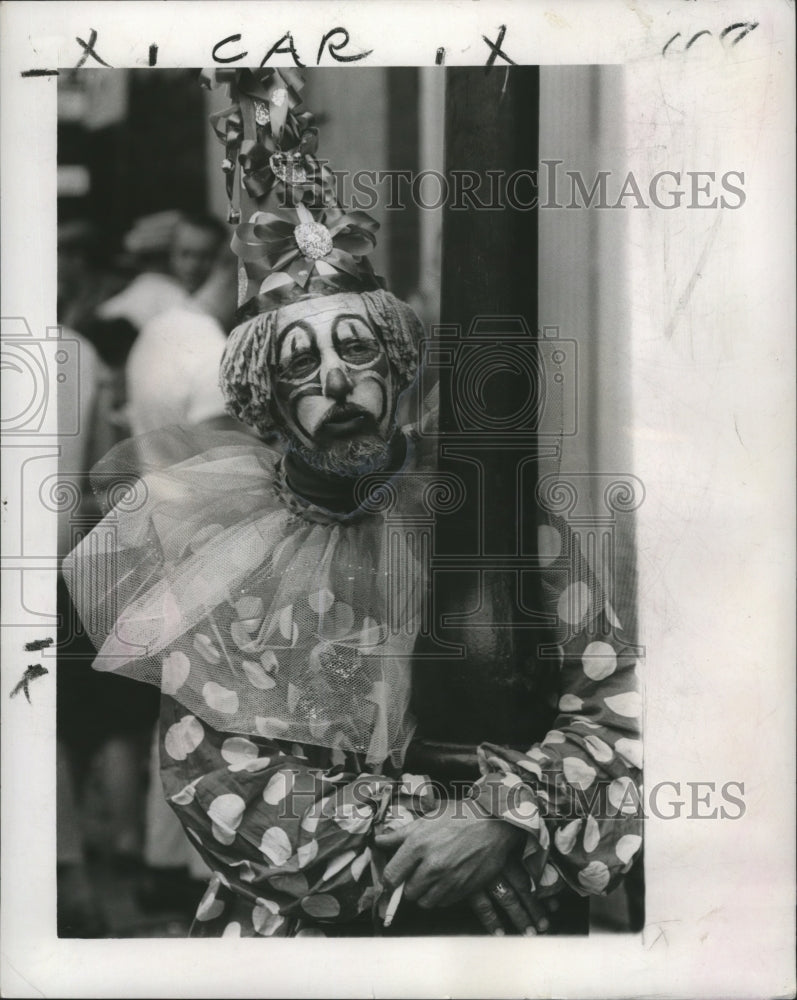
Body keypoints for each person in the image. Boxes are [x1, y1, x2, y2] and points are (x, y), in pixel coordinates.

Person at [65, 68, 642, 938]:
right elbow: (223, 787)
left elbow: (617, 707)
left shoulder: (490, 523)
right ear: (264, 396)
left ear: (399, 369)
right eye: (300, 363)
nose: (334, 379)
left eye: (357, 349)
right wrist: (436, 852)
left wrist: (501, 820)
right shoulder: (222, 552)